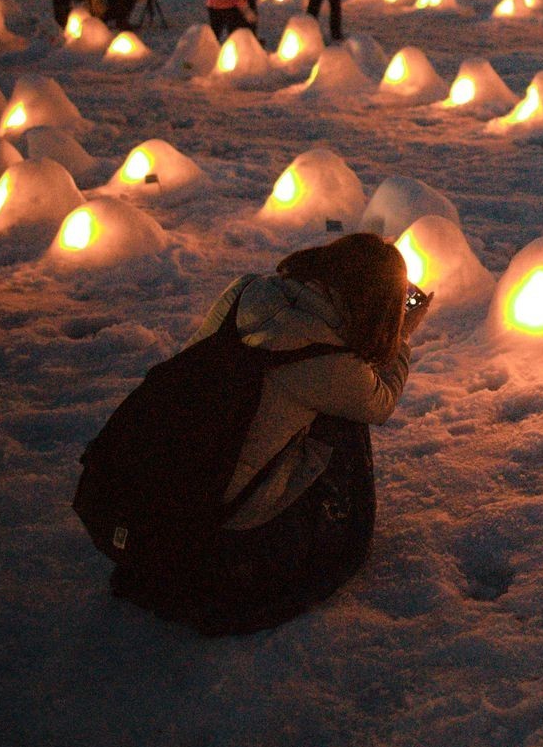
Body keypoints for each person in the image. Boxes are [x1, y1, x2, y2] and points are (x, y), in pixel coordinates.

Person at [104, 233, 426, 634]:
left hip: (151, 480)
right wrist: (402, 338)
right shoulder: (328, 360)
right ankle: (340, 524)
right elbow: (380, 402)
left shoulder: (246, 292)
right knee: (345, 418)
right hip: (221, 526)